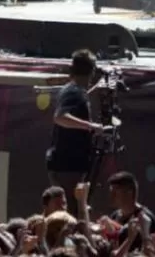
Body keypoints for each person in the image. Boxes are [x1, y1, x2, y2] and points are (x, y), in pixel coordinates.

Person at [46, 49, 110, 212]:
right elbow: (60, 117)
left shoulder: (75, 91)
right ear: (91, 71)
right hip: (68, 166)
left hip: (69, 165)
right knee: (71, 212)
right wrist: (91, 126)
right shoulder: (73, 92)